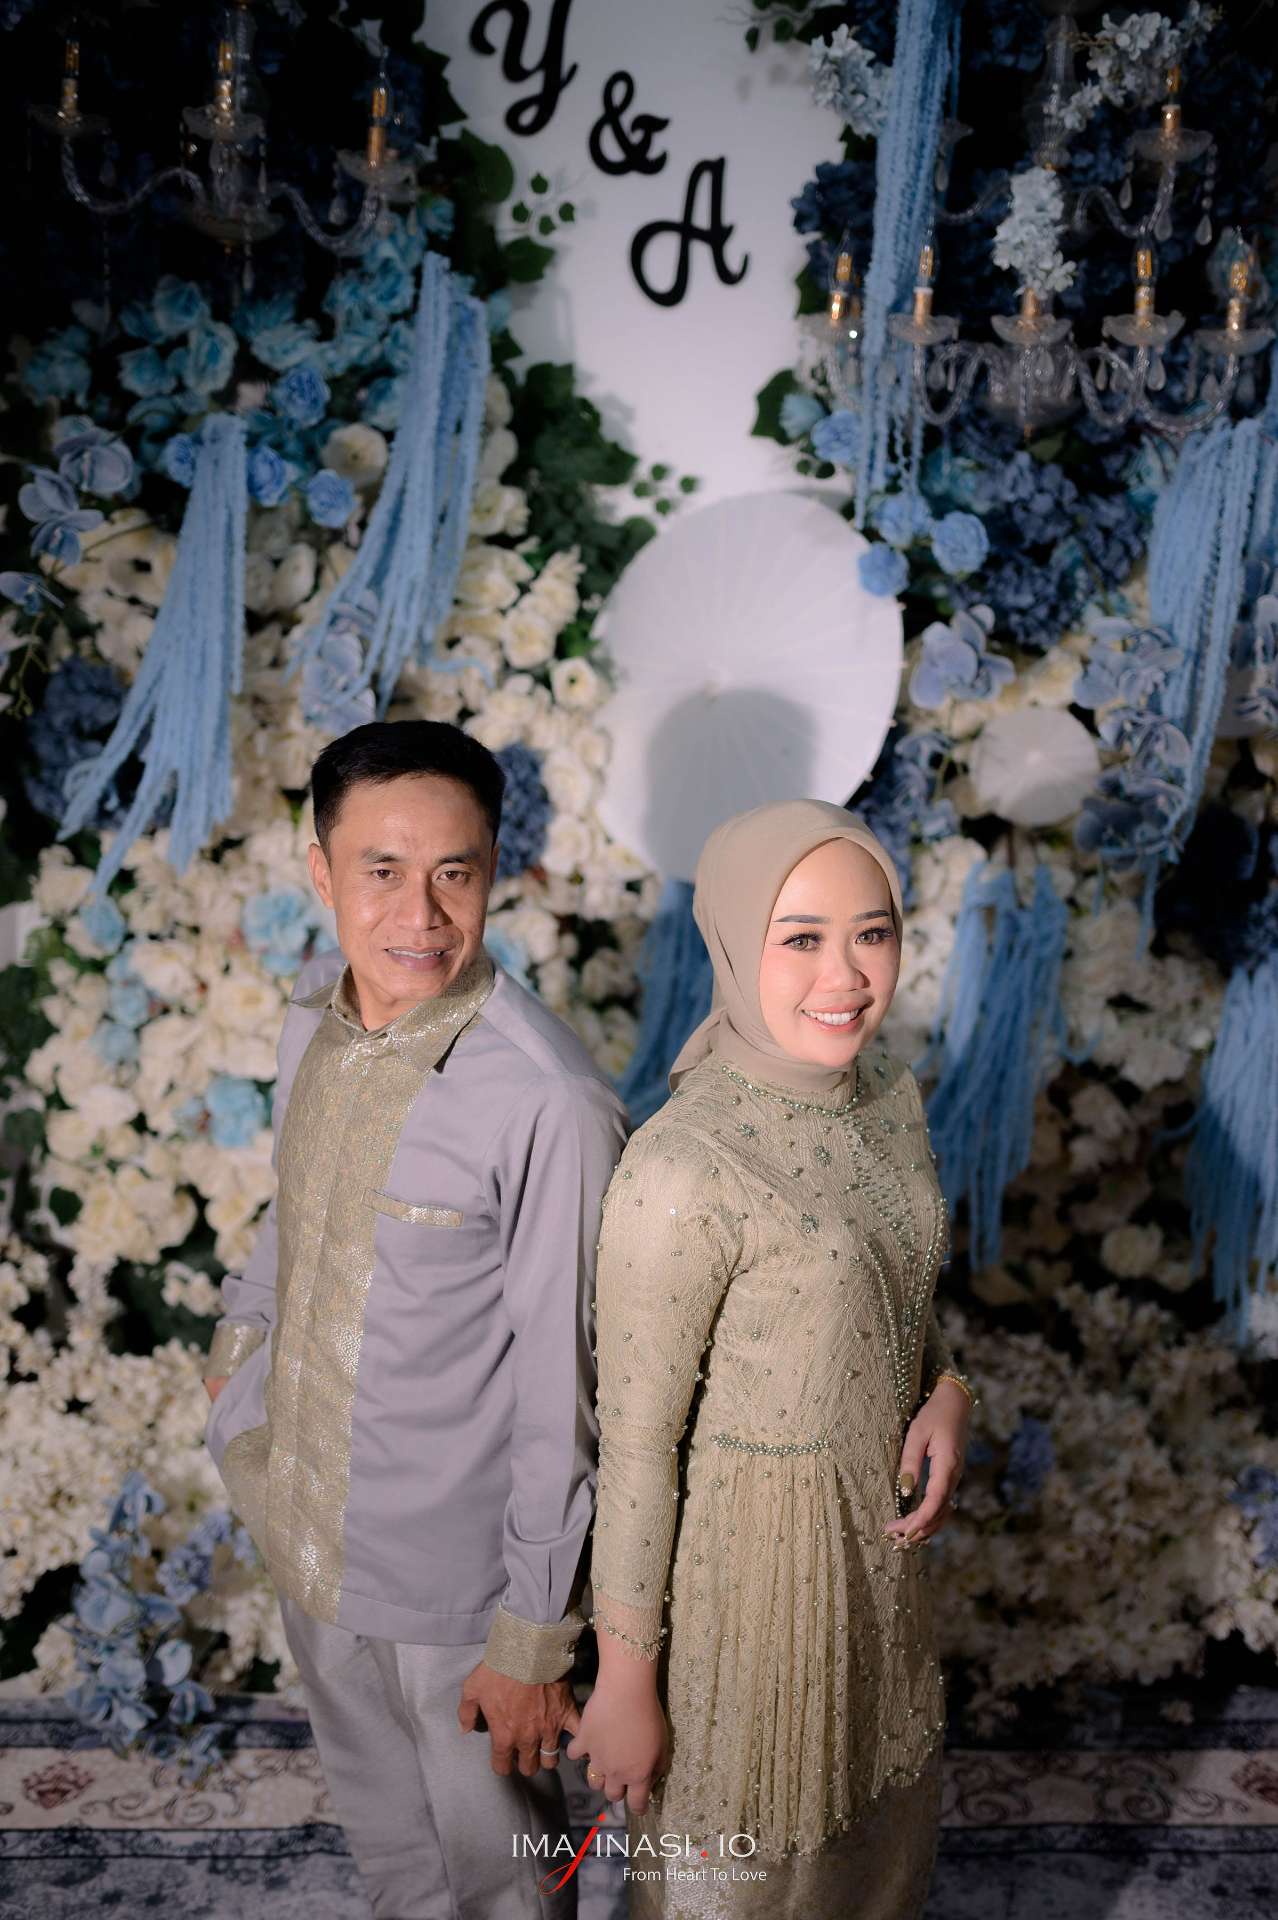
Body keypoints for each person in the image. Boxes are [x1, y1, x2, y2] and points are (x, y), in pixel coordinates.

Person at [201, 720, 627, 1920]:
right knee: (396, 1861)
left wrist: (533, 1634)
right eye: (382, 871)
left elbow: (570, 1390)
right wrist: (237, 1369)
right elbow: (292, 1217)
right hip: (309, 1521)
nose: (421, 915)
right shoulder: (314, 1016)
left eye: (456, 872)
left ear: (495, 871)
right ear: (321, 870)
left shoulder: (549, 1102)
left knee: (503, 1885)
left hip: (461, 1591)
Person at [568, 798, 975, 1919]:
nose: (845, 975)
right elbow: (636, 1449)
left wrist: (948, 1389)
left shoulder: (888, 1097)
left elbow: (899, 1286)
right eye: (800, 939)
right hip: (749, 1595)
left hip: (876, 1569)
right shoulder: (681, 1170)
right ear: (733, 943)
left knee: (874, 1868)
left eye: (872, 932)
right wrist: (626, 1681)